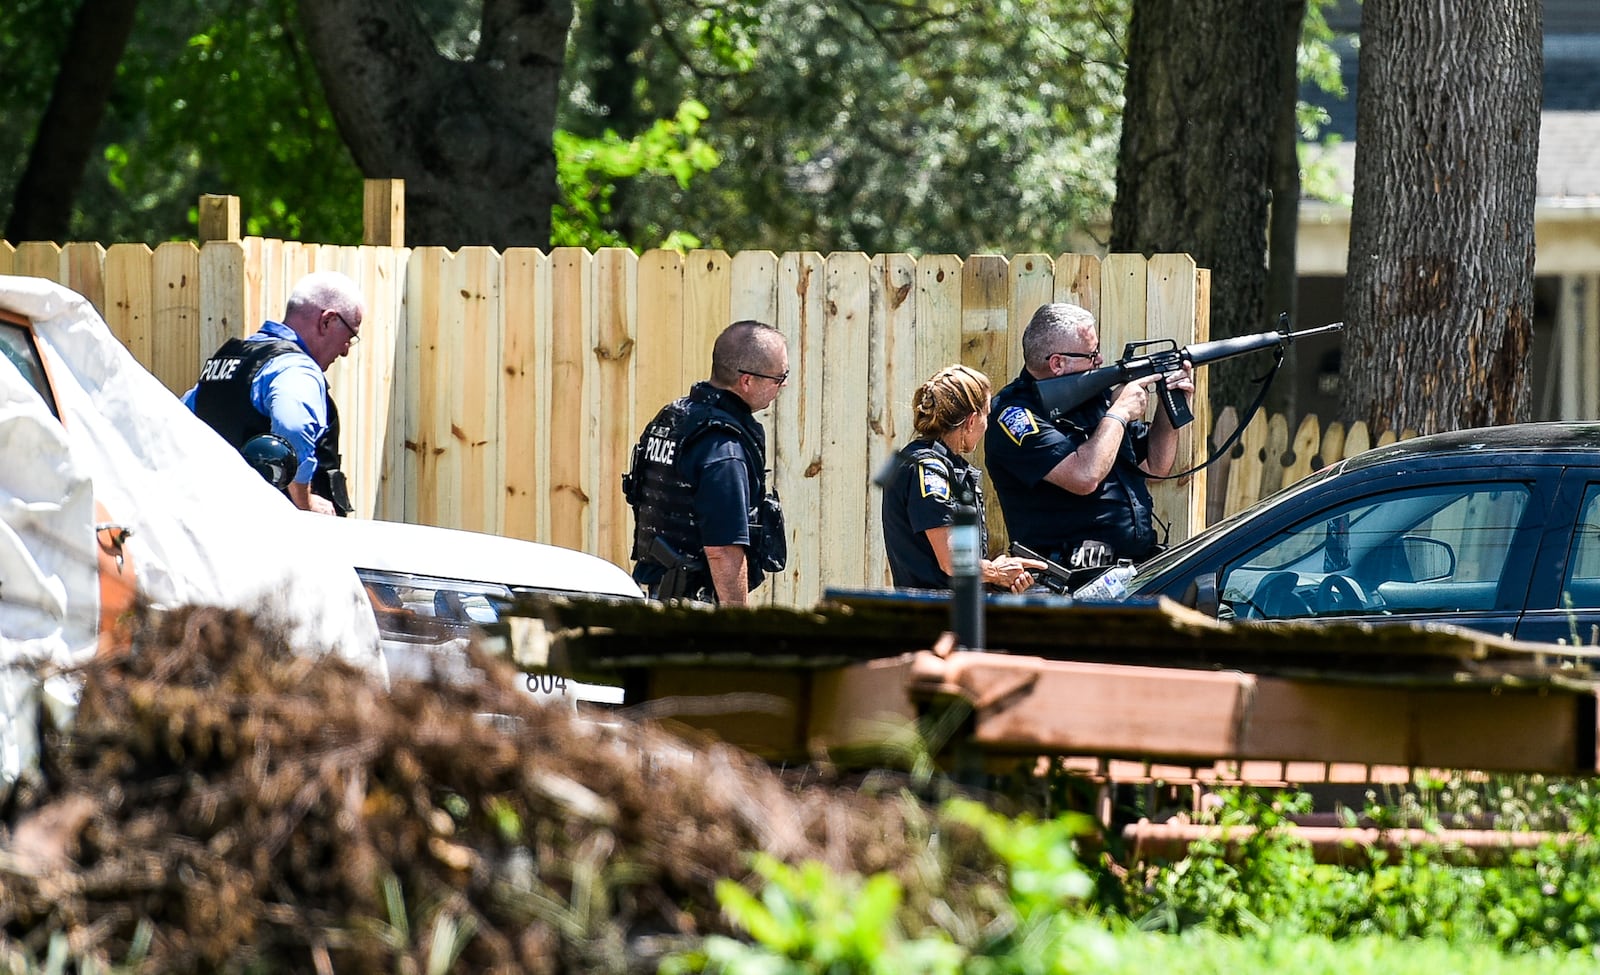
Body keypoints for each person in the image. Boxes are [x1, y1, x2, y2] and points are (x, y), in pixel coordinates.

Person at [984, 302, 1195, 567]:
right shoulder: (1015, 416)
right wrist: (1118, 413)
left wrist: (1169, 401)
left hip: (1129, 572)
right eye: (1092, 353)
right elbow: (1084, 476)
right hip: (1067, 582)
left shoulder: (1094, 399)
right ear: (1057, 363)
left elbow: (1155, 465)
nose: (1100, 360)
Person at [622, 320, 789, 605]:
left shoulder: (673, 420)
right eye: (779, 378)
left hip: (652, 596)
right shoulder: (724, 448)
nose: (783, 385)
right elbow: (722, 549)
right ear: (746, 381)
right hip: (693, 609)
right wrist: (737, 628)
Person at [184, 271, 364, 516]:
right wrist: (305, 502)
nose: (345, 350)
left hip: (213, 521)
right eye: (350, 336)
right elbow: (293, 427)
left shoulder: (228, 360)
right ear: (327, 321)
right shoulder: (296, 368)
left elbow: (180, 422)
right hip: (272, 535)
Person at [881, 365, 1044, 593]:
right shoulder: (930, 469)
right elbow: (951, 561)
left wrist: (999, 579)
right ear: (971, 421)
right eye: (986, 414)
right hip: (933, 617)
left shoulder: (939, 464)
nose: (986, 425)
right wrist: (997, 572)